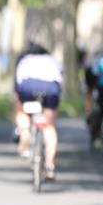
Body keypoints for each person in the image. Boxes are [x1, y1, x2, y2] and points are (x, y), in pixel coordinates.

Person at [14, 42, 63, 180]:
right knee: (49, 127)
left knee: (21, 110)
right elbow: (60, 80)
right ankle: (50, 165)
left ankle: (25, 132)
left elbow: (17, 86)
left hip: (28, 86)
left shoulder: (24, 60)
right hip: (50, 88)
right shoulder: (52, 60)